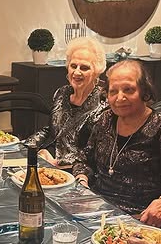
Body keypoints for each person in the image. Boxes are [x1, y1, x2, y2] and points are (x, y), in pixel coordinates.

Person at [73, 60, 161, 226]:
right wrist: (82, 182)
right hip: (96, 211)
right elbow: (84, 160)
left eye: (128, 90)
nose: (120, 98)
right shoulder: (105, 120)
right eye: (113, 91)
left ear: (144, 91)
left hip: (137, 219)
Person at [26, 37, 107, 167]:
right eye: (73, 66)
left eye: (84, 67)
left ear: (97, 72)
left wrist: (58, 162)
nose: (77, 72)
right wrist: (28, 146)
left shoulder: (103, 103)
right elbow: (51, 130)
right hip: (46, 159)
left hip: (76, 168)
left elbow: (97, 151)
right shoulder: (62, 92)